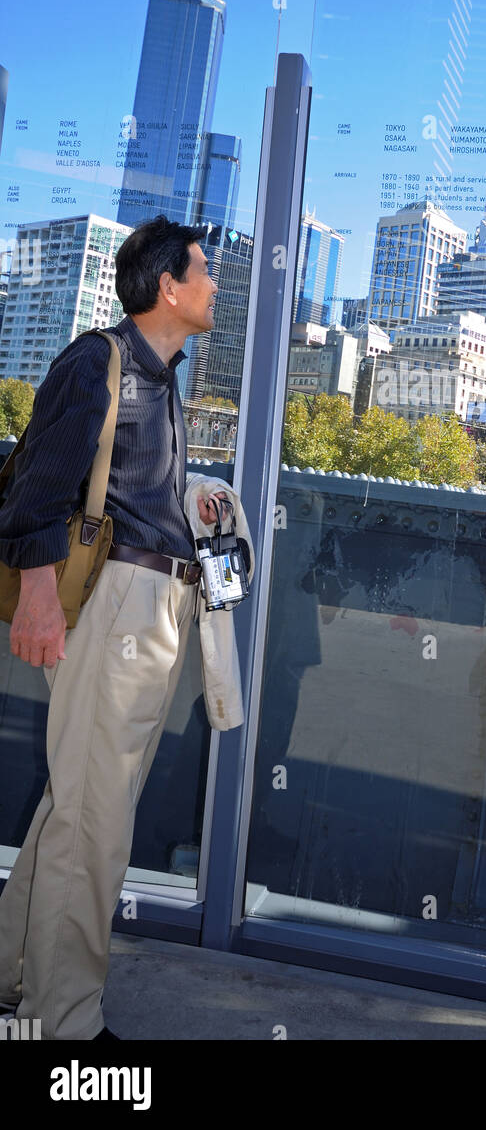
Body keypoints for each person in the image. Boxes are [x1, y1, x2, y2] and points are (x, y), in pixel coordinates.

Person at [0, 214, 230, 1041]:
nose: (214, 284)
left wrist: (187, 499)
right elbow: (38, 491)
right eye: (203, 270)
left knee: (80, 807)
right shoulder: (97, 360)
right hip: (115, 612)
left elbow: (126, 488)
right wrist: (35, 599)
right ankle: (61, 1025)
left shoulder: (161, 381)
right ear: (167, 287)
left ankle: (13, 977)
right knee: (93, 825)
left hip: (155, 608)